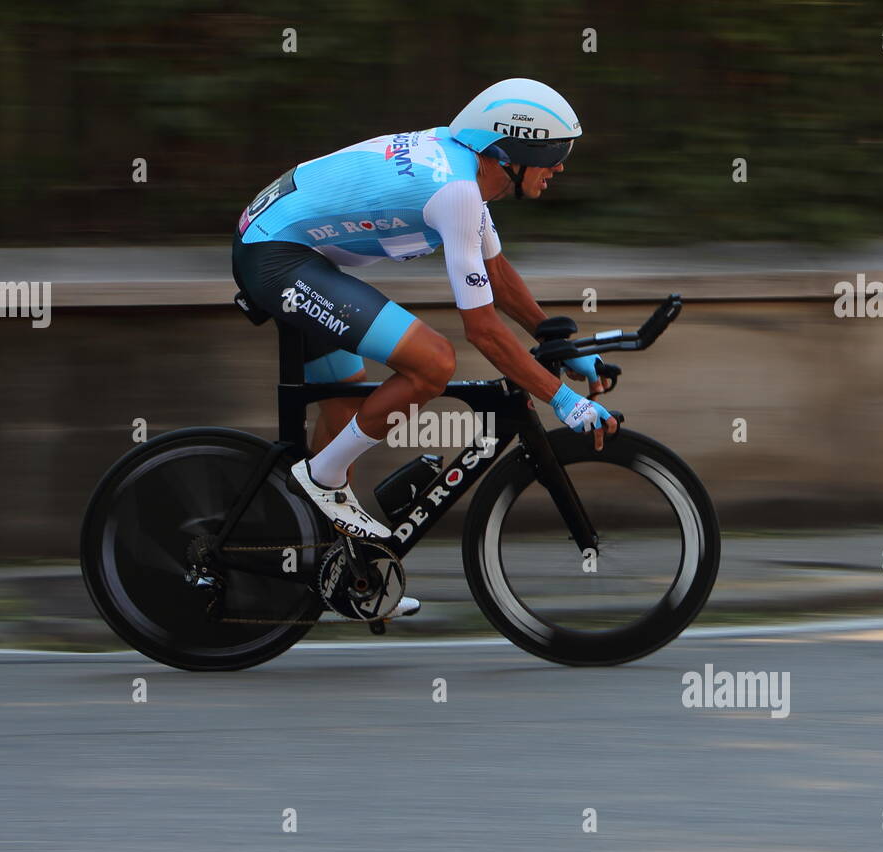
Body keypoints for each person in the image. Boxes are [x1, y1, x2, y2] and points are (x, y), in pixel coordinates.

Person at [231, 78, 617, 616]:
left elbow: (497, 275)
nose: (560, 167)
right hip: (277, 258)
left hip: (292, 249)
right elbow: (482, 331)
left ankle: (342, 571)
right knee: (432, 361)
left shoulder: (465, 170)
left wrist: (562, 345)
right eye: (554, 155)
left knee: (344, 409)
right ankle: (319, 480)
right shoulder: (457, 193)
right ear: (514, 152)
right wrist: (564, 400)